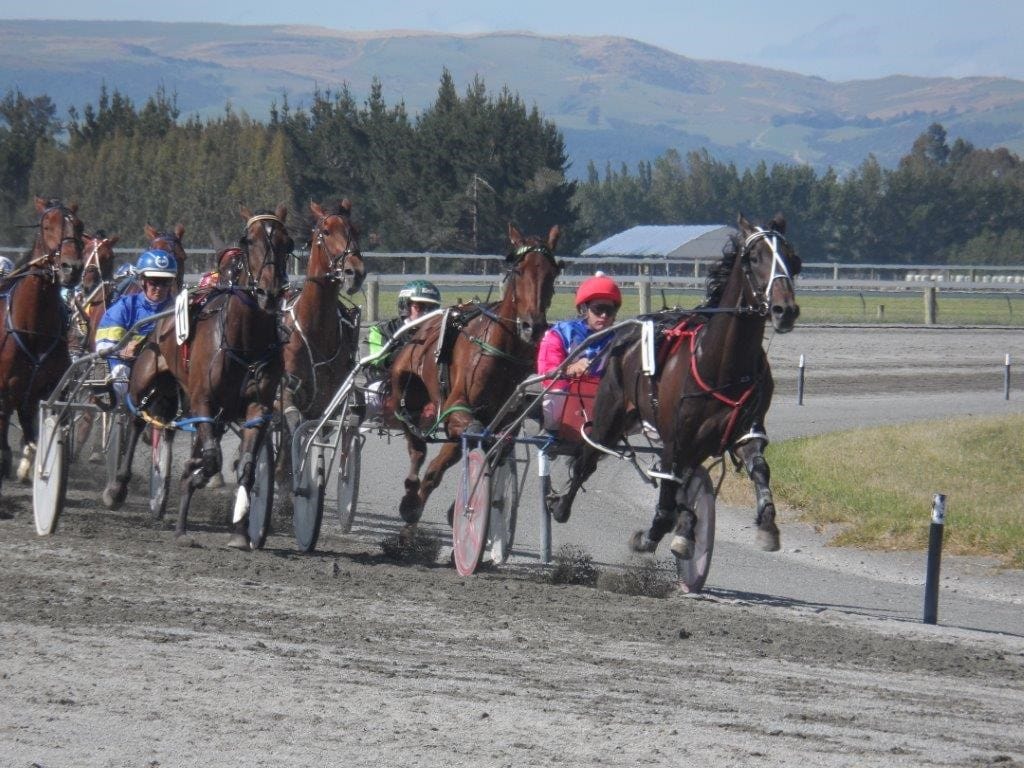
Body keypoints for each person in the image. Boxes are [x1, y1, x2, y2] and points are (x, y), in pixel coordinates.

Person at [536, 272, 621, 432]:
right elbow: (547, 371)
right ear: (584, 309)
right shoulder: (560, 333)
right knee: (557, 394)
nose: (603, 315)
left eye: (609, 310)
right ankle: (550, 433)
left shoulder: (620, 338)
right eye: (598, 309)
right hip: (567, 398)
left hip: (603, 400)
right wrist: (570, 368)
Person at [95, 249, 178, 402]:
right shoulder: (125, 306)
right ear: (142, 281)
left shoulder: (178, 309)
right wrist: (122, 350)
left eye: (165, 282)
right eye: (154, 281)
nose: (159, 287)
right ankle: (115, 401)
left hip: (166, 366)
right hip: (125, 363)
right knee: (120, 372)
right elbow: (105, 345)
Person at [362, 279, 443, 418]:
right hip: (388, 383)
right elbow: (375, 361)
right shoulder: (383, 330)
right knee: (372, 394)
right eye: (421, 306)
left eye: (432, 308)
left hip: (427, 385)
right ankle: (357, 427)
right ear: (406, 306)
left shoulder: (440, 331)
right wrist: (406, 353)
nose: (427, 312)